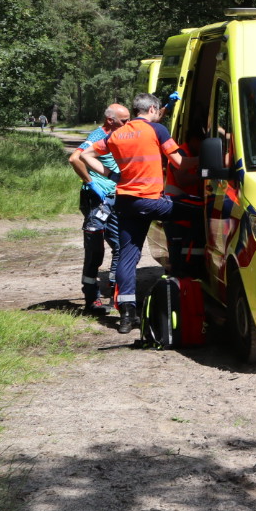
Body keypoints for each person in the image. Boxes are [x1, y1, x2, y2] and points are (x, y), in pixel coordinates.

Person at [81, 93, 185, 333]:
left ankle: (127, 314)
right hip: (152, 202)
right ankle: (186, 270)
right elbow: (180, 163)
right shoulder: (156, 130)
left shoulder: (116, 135)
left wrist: (111, 175)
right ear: (151, 109)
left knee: (128, 256)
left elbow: (85, 155)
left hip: (126, 203)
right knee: (195, 211)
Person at [66, 104, 127, 314]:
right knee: (95, 250)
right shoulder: (98, 135)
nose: (128, 124)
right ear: (110, 120)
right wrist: (91, 182)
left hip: (113, 199)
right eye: (124, 121)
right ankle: (91, 298)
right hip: (97, 200)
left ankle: (115, 292)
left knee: (120, 244)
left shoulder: (118, 135)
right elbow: (75, 158)